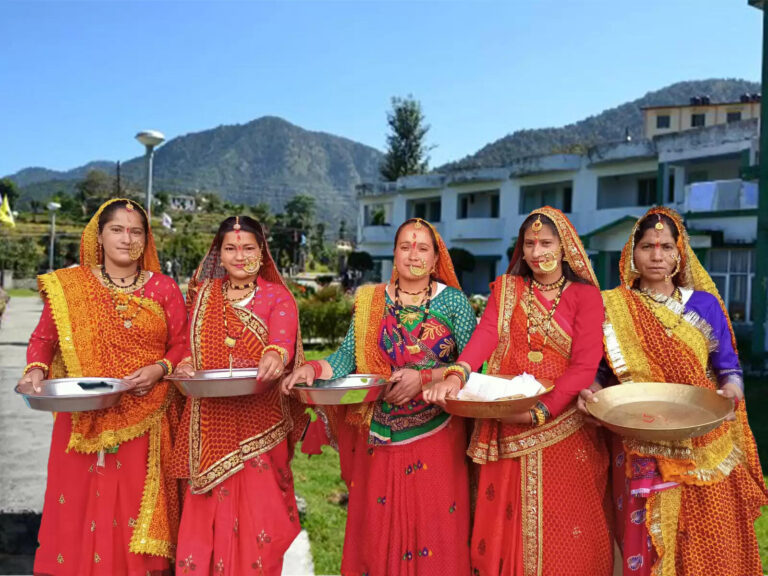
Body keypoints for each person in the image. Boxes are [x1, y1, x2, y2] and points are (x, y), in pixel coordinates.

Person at [577, 206, 768, 576]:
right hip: (638, 434)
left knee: (707, 532)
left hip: (702, 438)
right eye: (647, 246)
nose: (657, 256)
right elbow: (602, 368)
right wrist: (591, 391)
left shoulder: (705, 304)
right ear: (632, 253)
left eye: (666, 247)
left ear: (680, 254)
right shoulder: (612, 305)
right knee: (642, 538)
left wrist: (731, 391)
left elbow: (727, 365)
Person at [283, 217, 476, 575]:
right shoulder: (371, 302)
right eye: (405, 247)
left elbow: (475, 365)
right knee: (377, 536)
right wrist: (312, 369)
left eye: (422, 248)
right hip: (381, 436)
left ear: (436, 259)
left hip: (437, 436)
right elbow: (346, 358)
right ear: (394, 254)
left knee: (435, 536)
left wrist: (426, 377)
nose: (413, 255)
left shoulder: (454, 304)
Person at [426, 206, 613, 576]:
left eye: (546, 242)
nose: (537, 251)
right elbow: (486, 335)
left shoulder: (586, 297)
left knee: (566, 529)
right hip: (508, 416)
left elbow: (584, 366)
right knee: (504, 524)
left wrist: (540, 412)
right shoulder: (509, 289)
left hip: (563, 425)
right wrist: (457, 374)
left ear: (565, 249)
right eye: (529, 243)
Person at [17, 198, 188, 575]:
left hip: (147, 416)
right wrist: (35, 371)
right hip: (83, 417)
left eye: (136, 231)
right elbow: (44, 340)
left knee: (131, 513)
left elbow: (183, 343)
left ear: (146, 239)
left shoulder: (163, 288)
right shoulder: (71, 286)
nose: (127, 239)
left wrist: (160, 368)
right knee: (77, 505)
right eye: (117, 230)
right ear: (99, 235)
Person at [170, 216, 306, 575]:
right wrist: (184, 364)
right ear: (219, 253)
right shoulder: (203, 297)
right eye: (230, 248)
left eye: (248, 248)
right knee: (205, 514)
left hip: (261, 420)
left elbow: (282, 338)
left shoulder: (278, 296)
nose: (239, 256)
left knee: (261, 517)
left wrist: (275, 355)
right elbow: (186, 345)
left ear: (262, 253)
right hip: (210, 420)